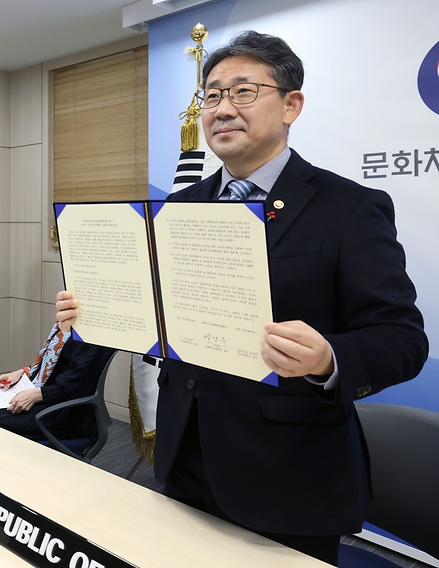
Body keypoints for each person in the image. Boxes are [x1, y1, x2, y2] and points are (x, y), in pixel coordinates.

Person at [56, 31, 427, 565]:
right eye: (211, 96)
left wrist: (328, 358)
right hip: (185, 455)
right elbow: (161, 314)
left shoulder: (349, 207)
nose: (222, 109)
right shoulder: (178, 207)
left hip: (288, 475)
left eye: (243, 92)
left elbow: (402, 339)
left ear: (291, 105)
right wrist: (96, 310)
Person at [0, 321, 115, 440]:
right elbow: (54, 363)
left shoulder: (96, 331)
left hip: (59, 412)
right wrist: (23, 371)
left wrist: (37, 395)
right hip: (44, 395)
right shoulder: (69, 320)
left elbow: (78, 385)